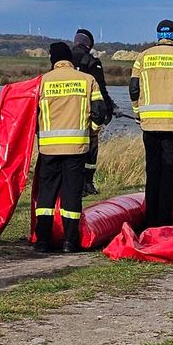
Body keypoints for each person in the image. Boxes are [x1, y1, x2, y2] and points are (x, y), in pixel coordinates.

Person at [33, 42, 106, 253]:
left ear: (52, 59)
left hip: (48, 149)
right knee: (71, 195)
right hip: (77, 148)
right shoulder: (87, 80)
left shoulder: (42, 82)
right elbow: (100, 111)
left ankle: (43, 241)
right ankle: (69, 242)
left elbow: (29, 115)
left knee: (46, 196)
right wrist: (91, 131)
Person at [129, 19, 173, 228]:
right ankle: (164, 220)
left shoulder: (142, 57)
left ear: (158, 35)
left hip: (149, 125)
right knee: (170, 173)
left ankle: (150, 220)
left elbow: (134, 89)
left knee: (153, 171)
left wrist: (137, 114)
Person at [70, 28, 116, 195]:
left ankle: (73, 184)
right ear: (88, 44)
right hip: (87, 113)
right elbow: (101, 90)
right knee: (90, 148)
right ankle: (87, 183)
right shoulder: (91, 61)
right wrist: (109, 110)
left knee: (71, 151)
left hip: (64, 114)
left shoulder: (63, 60)